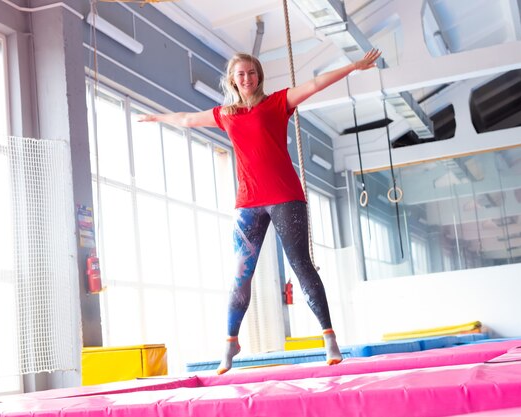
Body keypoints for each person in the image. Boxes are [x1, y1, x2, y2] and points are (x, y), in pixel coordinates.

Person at [139, 48, 382, 374]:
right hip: (248, 203)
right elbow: (186, 120)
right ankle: (230, 342)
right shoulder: (226, 115)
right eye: (241, 74)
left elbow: (315, 84)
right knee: (241, 273)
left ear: (259, 77)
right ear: (233, 80)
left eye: (252, 73)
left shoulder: (277, 103)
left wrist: (353, 66)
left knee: (301, 265)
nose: (247, 78)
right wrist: (158, 117)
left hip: (285, 196)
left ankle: (329, 337)